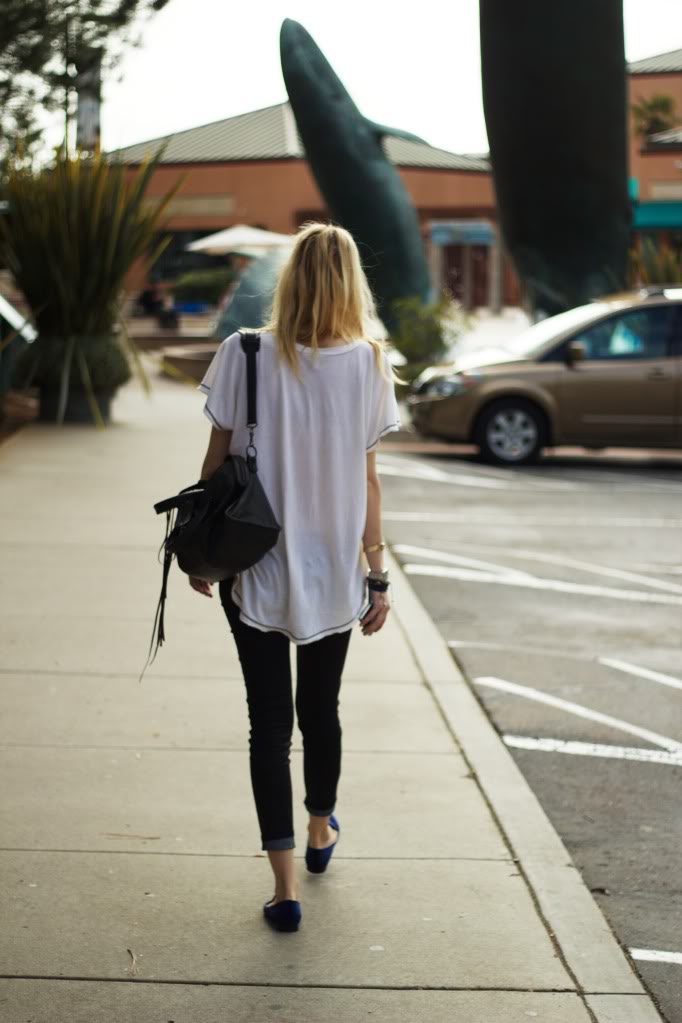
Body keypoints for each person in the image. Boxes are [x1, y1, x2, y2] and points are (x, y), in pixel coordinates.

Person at [190, 222, 401, 932]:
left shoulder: (243, 352)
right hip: (333, 570)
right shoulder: (370, 364)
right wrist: (377, 574)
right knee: (321, 711)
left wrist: (202, 553)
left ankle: (284, 891)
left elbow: (215, 466)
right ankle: (319, 827)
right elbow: (368, 480)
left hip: (253, 566)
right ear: (351, 282)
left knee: (268, 725)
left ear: (290, 278)